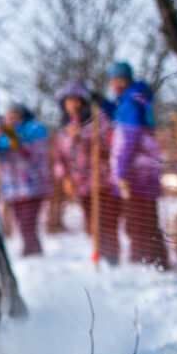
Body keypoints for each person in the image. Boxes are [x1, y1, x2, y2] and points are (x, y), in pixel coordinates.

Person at [107, 62, 169, 267]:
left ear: (127, 80)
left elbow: (129, 140)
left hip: (136, 172)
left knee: (137, 222)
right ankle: (160, 263)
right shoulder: (136, 100)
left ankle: (142, 265)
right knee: (148, 219)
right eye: (112, 80)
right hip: (146, 169)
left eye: (118, 79)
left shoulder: (131, 104)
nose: (115, 84)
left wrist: (122, 174)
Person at [53, 81, 120, 263]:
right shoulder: (64, 129)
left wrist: (81, 136)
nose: (73, 106)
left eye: (77, 101)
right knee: (91, 225)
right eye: (69, 102)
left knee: (106, 224)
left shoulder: (99, 120)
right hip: (81, 184)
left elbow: (110, 144)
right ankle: (100, 257)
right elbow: (59, 156)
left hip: (103, 182)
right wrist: (65, 178)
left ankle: (112, 260)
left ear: (84, 102)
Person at [0, 104, 52, 257]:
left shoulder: (33, 130)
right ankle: (33, 251)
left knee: (28, 222)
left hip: (33, 185)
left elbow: (35, 153)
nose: (11, 121)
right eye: (8, 117)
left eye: (15, 117)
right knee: (21, 223)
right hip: (12, 188)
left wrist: (16, 137)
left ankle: (32, 252)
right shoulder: (2, 135)